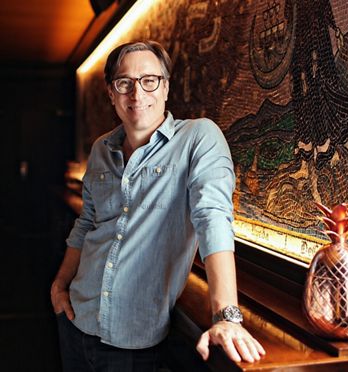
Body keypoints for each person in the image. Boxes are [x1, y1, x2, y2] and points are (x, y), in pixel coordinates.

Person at [51, 40, 265, 372]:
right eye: (124, 83)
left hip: (134, 343)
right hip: (76, 319)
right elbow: (87, 223)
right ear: (111, 93)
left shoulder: (198, 138)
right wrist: (60, 284)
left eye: (149, 80)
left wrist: (227, 315)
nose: (137, 94)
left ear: (165, 88)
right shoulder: (100, 150)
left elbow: (213, 219)